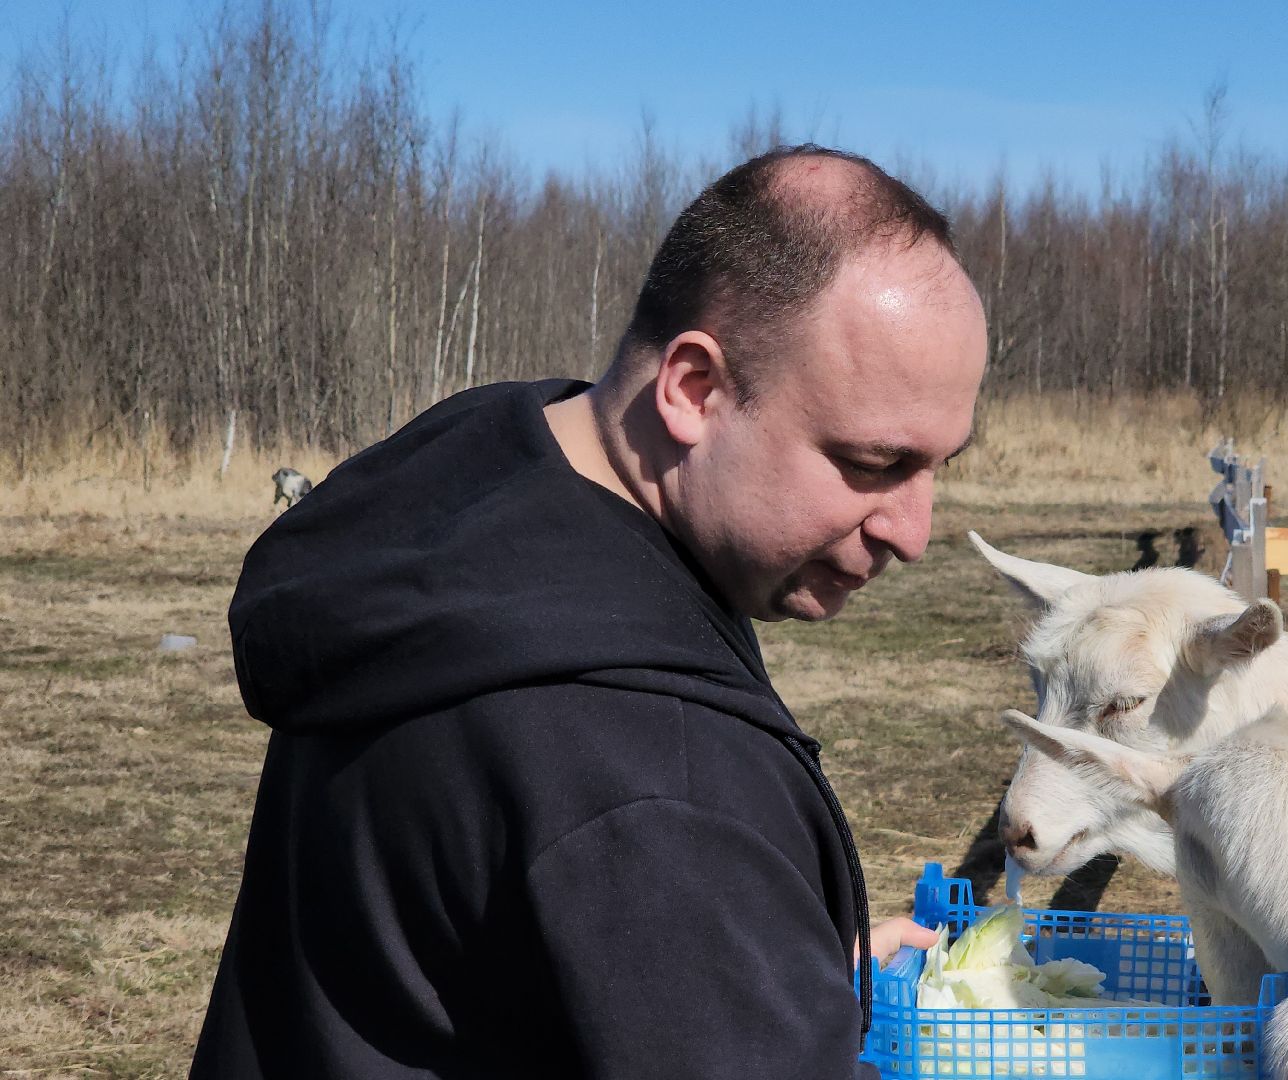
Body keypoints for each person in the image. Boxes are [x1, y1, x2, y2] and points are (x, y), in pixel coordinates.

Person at [190, 145, 988, 1078]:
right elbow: (632, 848)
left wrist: (755, 973)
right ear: (695, 390)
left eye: (942, 465)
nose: (914, 531)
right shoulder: (649, 772)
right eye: (876, 463)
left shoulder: (469, 498)